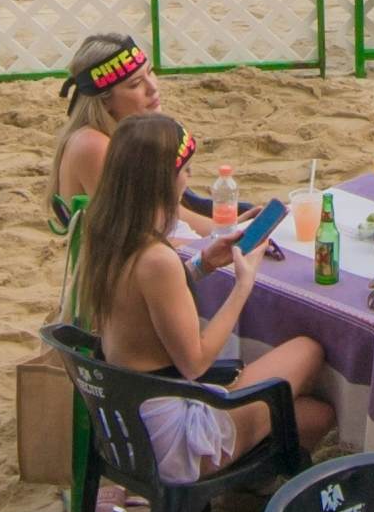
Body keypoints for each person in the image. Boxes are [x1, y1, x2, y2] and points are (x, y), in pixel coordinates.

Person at [80, 108, 333, 485]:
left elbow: (141, 305)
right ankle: (246, 488)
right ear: (161, 181)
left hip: (127, 422)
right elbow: (195, 363)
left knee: (313, 414)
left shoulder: (105, 235)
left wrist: (203, 263)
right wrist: (242, 285)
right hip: (175, 442)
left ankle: (249, 489)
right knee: (309, 352)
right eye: (184, 171)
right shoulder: (157, 260)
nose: (189, 179)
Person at [49, 27, 161, 265]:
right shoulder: (94, 146)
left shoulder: (126, 137)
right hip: (118, 288)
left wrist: (229, 227)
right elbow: (139, 235)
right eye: (135, 84)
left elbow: (170, 217)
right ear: (105, 101)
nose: (152, 87)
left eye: (151, 72)